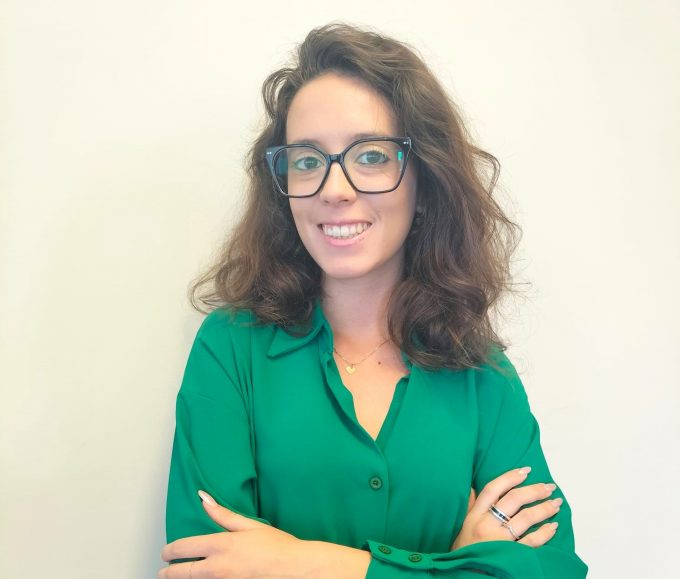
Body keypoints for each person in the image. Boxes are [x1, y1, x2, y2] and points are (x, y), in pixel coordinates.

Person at [158, 22, 588, 579]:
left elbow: (553, 569)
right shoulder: (231, 348)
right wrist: (454, 565)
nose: (334, 189)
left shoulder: (482, 374)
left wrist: (309, 563)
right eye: (307, 161)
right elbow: (203, 567)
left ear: (425, 179)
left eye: (370, 156)